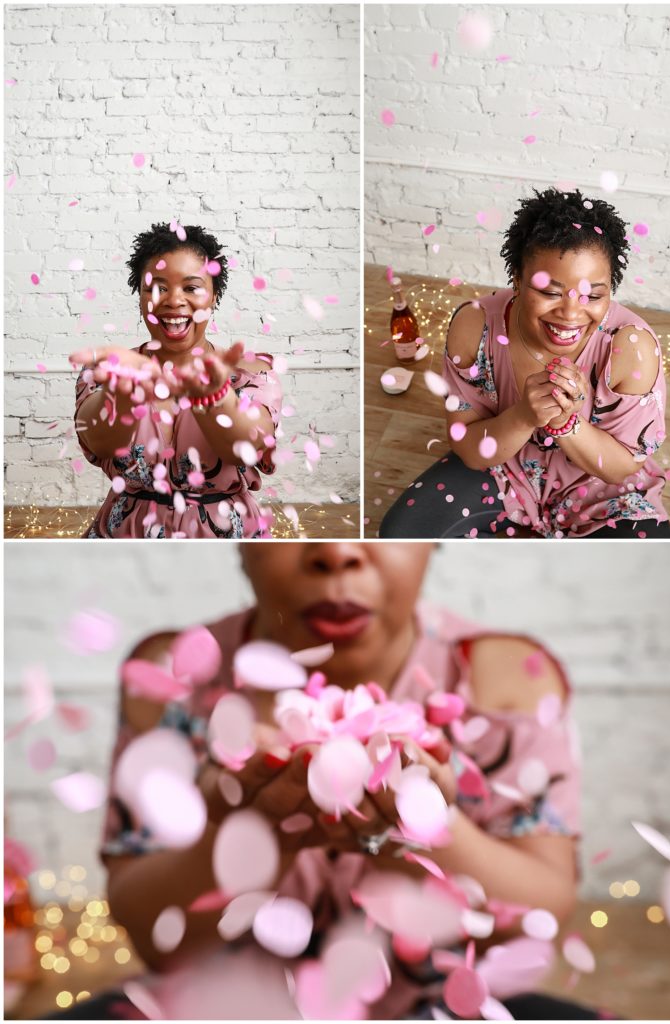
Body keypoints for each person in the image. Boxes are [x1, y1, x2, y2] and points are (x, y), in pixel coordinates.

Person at [60, 542, 608, 1020]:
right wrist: (244, 837)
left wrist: (430, 833)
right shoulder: (178, 673)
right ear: (244, 546)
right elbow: (155, 938)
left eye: (366, 537)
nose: (337, 554)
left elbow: (542, 908)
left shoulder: (505, 677)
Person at [379, 188, 670, 539]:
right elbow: (470, 448)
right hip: (503, 470)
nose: (571, 314)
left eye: (594, 295)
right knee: (401, 534)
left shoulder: (631, 347)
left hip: (601, 490)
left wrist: (567, 423)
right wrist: (524, 416)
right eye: (550, 292)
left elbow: (620, 469)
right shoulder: (475, 326)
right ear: (517, 279)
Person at [71, 223, 282, 539]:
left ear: (214, 295)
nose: (173, 300)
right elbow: (98, 441)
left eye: (191, 287)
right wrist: (121, 396)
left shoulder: (252, 373)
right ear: (141, 296)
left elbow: (245, 449)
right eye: (157, 287)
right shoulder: (112, 369)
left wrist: (214, 398)